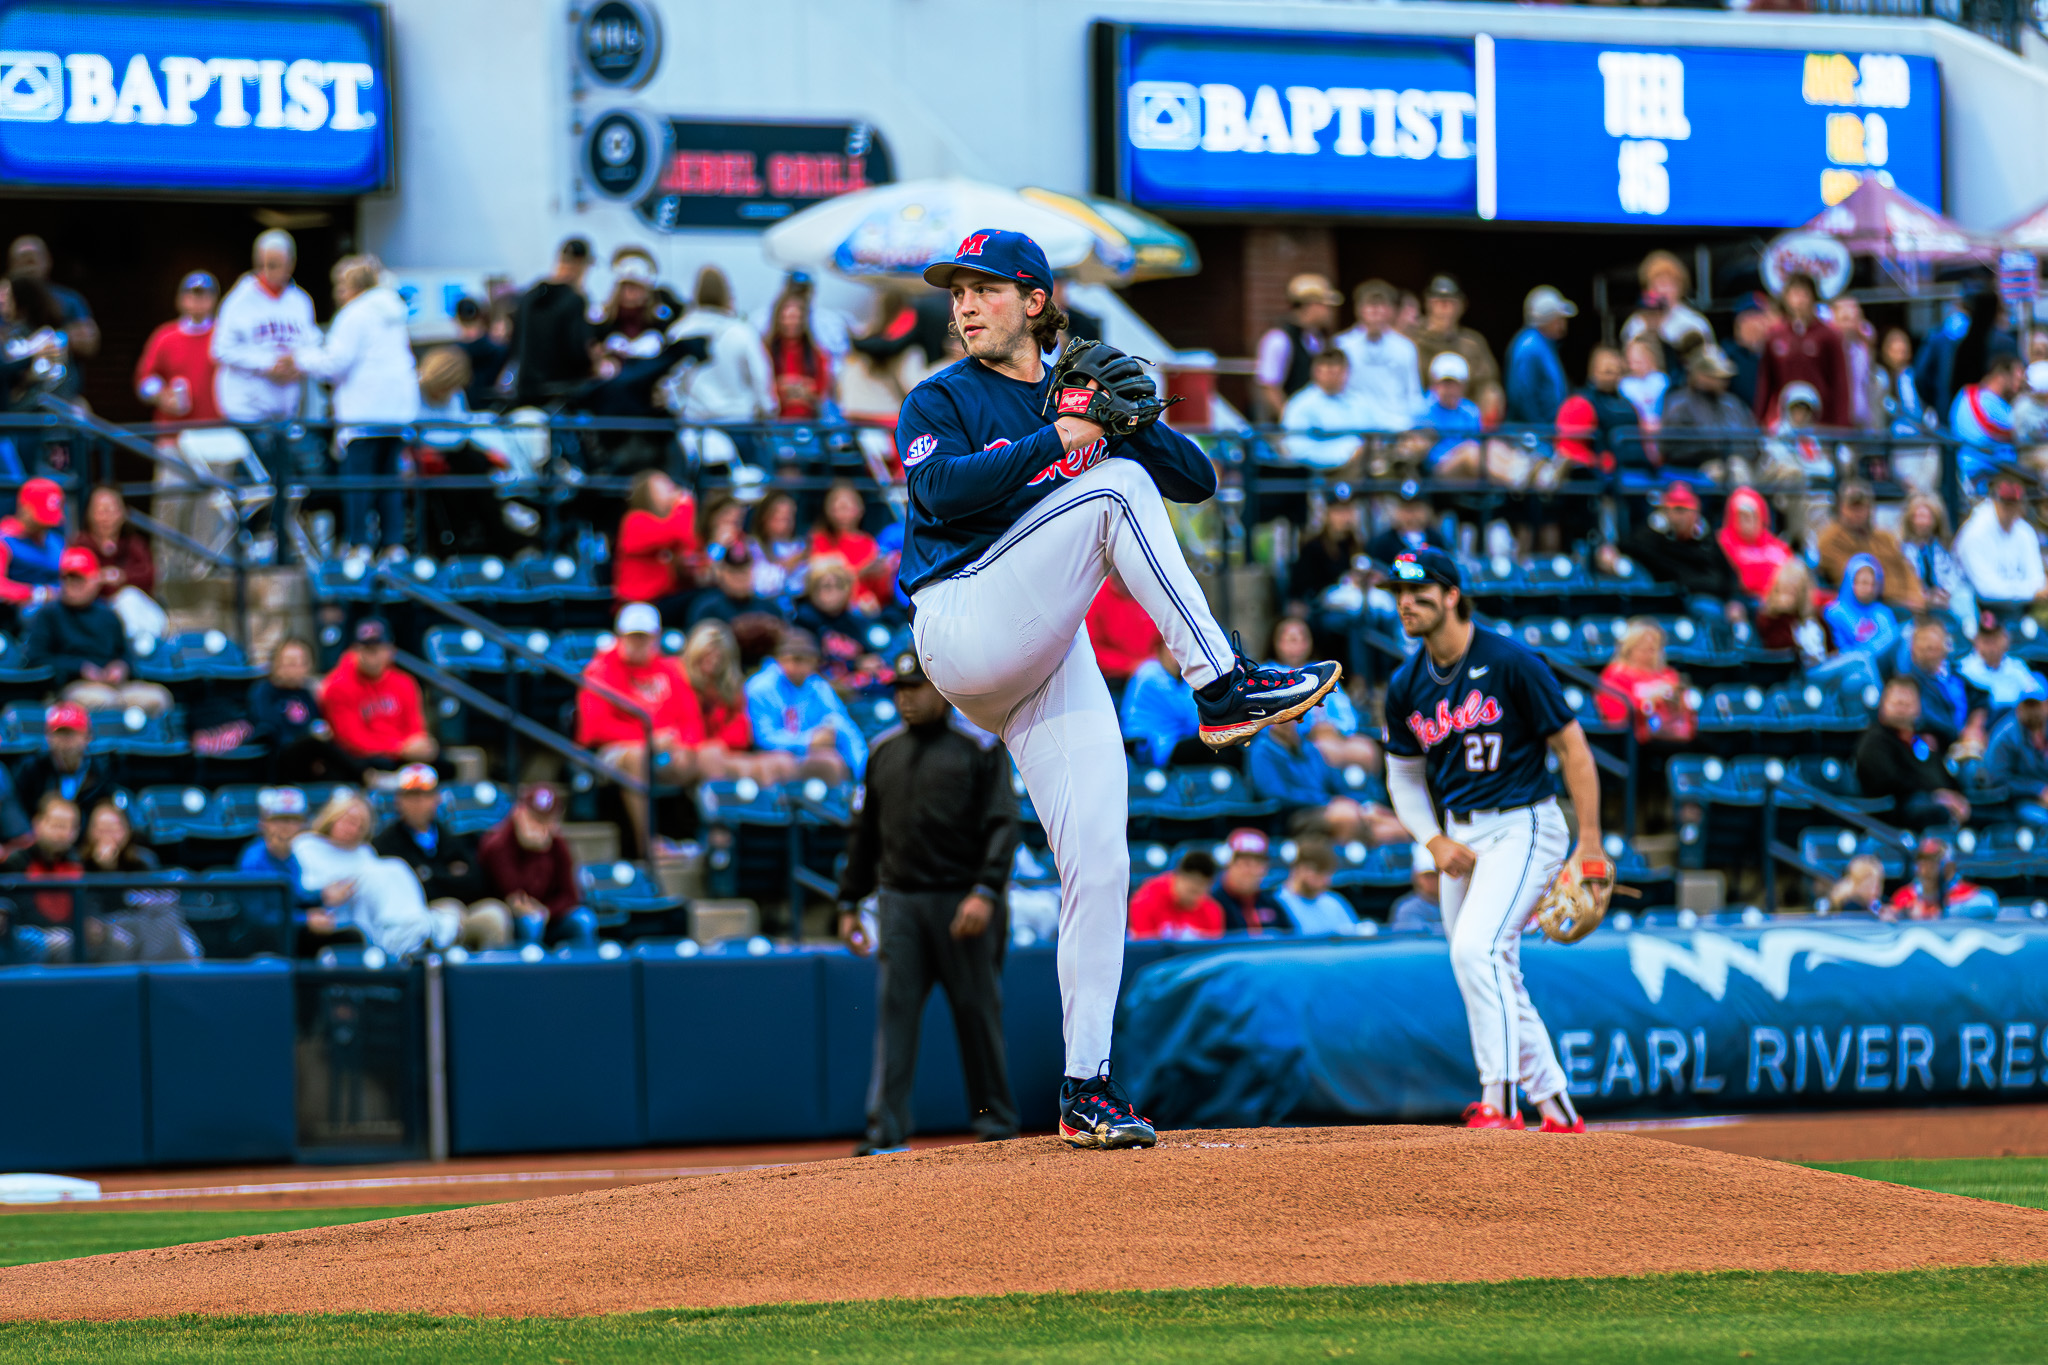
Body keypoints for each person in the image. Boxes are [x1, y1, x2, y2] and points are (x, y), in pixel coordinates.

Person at [897, 228, 1341, 1151]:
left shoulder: (1078, 389)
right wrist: (1065, 435)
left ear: (1035, 301)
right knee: (1115, 491)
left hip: (1043, 651)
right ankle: (1220, 683)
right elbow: (940, 492)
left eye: (984, 287)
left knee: (1101, 861)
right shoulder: (941, 396)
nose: (964, 304)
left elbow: (1199, 481)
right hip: (963, 619)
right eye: (957, 290)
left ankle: (1085, 1085)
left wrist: (1132, 421)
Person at [1380, 547, 1602, 1133]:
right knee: (1490, 963)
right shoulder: (1406, 683)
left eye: (1419, 591)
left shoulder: (1510, 662)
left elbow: (1573, 749)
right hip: (1460, 834)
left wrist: (1591, 842)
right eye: (1398, 593)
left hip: (1524, 821)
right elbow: (1402, 775)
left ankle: (1499, 1103)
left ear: (1452, 595)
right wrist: (1432, 839)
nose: (1406, 602)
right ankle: (1558, 1110)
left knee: (1476, 950)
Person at [837, 649, 1020, 1155]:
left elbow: (1003, 824)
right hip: (901, 903)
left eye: (915, 688)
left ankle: (997, 1127)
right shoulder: (882, 751)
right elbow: (864, 834)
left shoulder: (979, 746)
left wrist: (985, 891)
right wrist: (849, 901)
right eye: (899, 690)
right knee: (894, 1017)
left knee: (977, 1015)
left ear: (940, 690)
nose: (906, 699)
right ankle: (885, 1133)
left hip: (964, 903)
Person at [291, 255, 421, 558]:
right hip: (397, 412)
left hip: (364, 412)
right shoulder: (394, 313)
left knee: (357, 483)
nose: (337, 293)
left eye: (340, 285)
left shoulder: (354, 315)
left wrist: (300, 358)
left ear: (353, 286)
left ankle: (358, 545)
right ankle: (393, 546)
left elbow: (335, 363)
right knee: (389, 480)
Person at [576, 602, 703, 851]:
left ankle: (712, 845)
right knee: (636, 757)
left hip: (666, 751)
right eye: (632, 637)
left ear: (656, 638)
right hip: (612, 753)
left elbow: (691, 718)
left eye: (644, 637)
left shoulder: (670, 669)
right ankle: (648, 845)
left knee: (711, 756)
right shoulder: (600, 670)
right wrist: (649, 740)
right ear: (619, 637)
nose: (638, 643)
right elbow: (594, 729)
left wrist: (686, 745)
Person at [371, 764, 512, 950]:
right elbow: (407, 891)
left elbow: (476, 882)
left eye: (426, 795)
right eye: (411, 796)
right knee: (449, 911)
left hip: (463, 911)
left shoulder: (453, 836)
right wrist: (448, 875)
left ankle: (493, 968)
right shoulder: (384, 843)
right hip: (417, 919)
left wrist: (429, 875)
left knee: (495, 913)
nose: (419, 802)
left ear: (436, 798)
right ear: (399, 800)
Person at [292, 789, 446, 959]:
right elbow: (296, 891)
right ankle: (409, 936)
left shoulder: (365, 853)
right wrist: (323, 895)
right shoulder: (306, 846)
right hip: (331, 920)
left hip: (367, 917)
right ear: (333, 817)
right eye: (350, 821)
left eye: (361, 826)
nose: (354, 829)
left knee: (394, 866)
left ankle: (415, 927)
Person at [21, 547, 171, 715]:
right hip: (73, 686)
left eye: (79, 578)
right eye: (67, 578)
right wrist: (79, 668)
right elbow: (35, 659)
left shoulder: (108, 614)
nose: (71, 584)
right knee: (102, 700)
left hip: (114, 685)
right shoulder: (49, 614)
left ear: (95, 580)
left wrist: (121, 667)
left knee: (158, 697)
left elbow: (125, 654)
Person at [212, 229, 317, 430]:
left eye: (275, 265)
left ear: (291, 264)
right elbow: (221, 350)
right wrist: (267, 363)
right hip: (247, 412)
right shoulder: (239, 300)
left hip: (287, 413)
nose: (268, 271)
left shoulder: (301, 301)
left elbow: (312, 345)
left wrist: (297, 362)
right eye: (263, 265)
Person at [1247, 717, 1402, 845]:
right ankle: (1342, 868)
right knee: (1346, 816)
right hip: (1293, 816)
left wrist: (1364, 804)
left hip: (1327, 807)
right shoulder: (1262, 750)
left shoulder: (1309, 748)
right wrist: (1326, 801)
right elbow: (1275, 794)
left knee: (1393, 826)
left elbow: (1335, 783)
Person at [679, 620, 799, 785]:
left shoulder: (732, 690)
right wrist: (710, 746)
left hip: (726, 753)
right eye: (707, 656)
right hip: (691, 754)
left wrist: (721, 745)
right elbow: (685, 730)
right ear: (695, 654)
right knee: (713, 756)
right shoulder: (679, 681)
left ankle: (778, 802)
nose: (713, 661)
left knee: (776, 762)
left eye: (718, 657)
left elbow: (740, 735)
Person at [1595, 483, 1743, 617]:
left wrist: (1734, 600)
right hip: (1681, 600)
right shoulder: (1656, 538)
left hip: (1713, 597)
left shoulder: (1708, 540)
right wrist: (1610, 552)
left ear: (1695, 512)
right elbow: (1628, 546)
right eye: (1675, 510)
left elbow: (1729, 575)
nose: (1680, 517)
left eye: (1684, 510)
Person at [743, 627, 866, 782]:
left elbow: (843, 725)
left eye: (804, 660)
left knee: (833, 760)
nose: (796, 666)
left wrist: (864, 771)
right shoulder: (760, 687)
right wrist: (808, 740)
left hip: (808, 756)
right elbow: (762, 738)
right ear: (779, 659)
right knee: (784, 763)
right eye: (792, 659)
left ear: (814, 662)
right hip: (768, 757)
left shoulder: (817, 686)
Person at [318, 617, 437, 775]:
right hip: (365, 757)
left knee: (441, 763)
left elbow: (415, 726)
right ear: (354, 651)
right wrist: (399, 749)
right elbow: (351, 739)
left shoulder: (404, 682)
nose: (372, 656)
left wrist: (417, 743)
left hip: (402, 752)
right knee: (375, 763)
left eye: (377, 649)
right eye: (367, 649)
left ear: (391, 651)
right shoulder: (338, 685)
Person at [665, 265, 775, 430]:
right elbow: (760, 376)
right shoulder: (743, 331)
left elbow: (671, 380)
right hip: (738, 424)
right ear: (727, 294)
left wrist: (679, 409)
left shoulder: (679, 332)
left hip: (695, 425)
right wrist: (766, 408)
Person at [1854, 677, 1970, 829]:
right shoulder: (1874, 741)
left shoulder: (1924, 739)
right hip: (1895, 811)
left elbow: (1943, 776)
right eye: (1897, 703)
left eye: (1907, 703)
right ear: (1883, 705)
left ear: (1918, 707)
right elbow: (1889, 783)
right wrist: (1935, 795)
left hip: (1931, 801)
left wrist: (1955, 796)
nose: (1902, 708)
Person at [477, 783, 579, 944]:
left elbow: (571, 895)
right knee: (531, 922)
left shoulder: (557, 844)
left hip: (548, 913)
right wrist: (535, 851)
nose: (542, 827)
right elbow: (516, 895)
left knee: (583, 920)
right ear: (519, 813)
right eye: (535, 819)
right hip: (510, 917)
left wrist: (547, 911)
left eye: (547, 820)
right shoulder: (498, 844)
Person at [1271, 616, 1377, 770]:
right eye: (1292, 640)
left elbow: (1346, 713)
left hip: (1333, 736)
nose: (1298, 645)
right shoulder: (1268, 675)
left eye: (1303, 639)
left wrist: (1337, 728)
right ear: (1277, 642)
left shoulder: (1323, 671)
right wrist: (1309, 729)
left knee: (1367, 749)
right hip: (1297, 742)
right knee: (1325, 751)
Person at [1754, 272, 1850, 427]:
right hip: (1785, 423)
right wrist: (1760, 420)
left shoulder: (1828, 336)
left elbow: (1840, 382)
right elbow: (1766, 381)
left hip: (1821, 422)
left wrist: (1842, 425)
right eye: (1794, 294)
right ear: (1786, 298)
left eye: (1804, 294)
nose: (1799, 301)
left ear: (1813, 297)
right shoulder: (1775, 336)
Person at [511, 237, 596, 405]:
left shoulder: (530, 296)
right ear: (582, 264)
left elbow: (515, 345)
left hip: (525, 388)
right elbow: (576, 350)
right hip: (561, 392)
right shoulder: (574, 300)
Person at [0, 794, 84, 962]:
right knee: (60, 941)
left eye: (68, 826)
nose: (61, 833)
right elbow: (19, 912)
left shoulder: (79, 863)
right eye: (57, 825)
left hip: (68, 931)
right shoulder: (17, 862)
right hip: (27, 931)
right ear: (38, 823)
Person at [1336, 279, 1423, 435]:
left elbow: (1413, 392)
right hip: (1354, 428)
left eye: (1381, 305)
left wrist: (1414, 427)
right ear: (1359, 309)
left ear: (1391, 311)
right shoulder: (1342, 345)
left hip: (1396, 428)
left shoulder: (1405, 347)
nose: (1375, 311)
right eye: (1370, 305)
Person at [1817, 481, 1922, 608]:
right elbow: (1853, 580)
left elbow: (1907, 570)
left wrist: (1917, 596)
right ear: (1841, 508)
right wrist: (1900, 599)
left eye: (1862, 507)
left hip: (1909, 602)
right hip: (1873, 605)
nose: (1857, 513)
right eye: (1852, 508)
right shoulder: (1830, 540)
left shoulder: (1885, 537)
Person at [134, 271, 220, 423]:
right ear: (181, 299)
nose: (198, 301)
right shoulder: (165, 337)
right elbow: (144, 379)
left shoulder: (224, 335)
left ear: (214, 300)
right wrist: (161, 395)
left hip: (217, 427)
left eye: (205, 295)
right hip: (174, 428)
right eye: (192, 295)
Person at [613, 469, 700, 620]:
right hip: (639, 605)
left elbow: (690, 543)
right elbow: (677, 533)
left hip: (662, 599)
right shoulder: (634, 520)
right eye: (663, 486)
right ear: (646, 494)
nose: (672, 489)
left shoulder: (669, 520)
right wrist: (685, 503)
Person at [1657, 346, 1758, 476]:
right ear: (1699, 376)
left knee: (1781, 469)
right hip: (1700, 470)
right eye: (1716, 376)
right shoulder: (1679, 404)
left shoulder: (1733, 403)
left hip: (1743, 464)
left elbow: (1752, 441)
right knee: (1735, 469)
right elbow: (1671, 450)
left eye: (1724, 377)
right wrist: (1717, 452)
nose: (1723, 382)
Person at [791, 555, 886, 692]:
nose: (834, 593)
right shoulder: (803, 620)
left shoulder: (856, 621)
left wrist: (870, 661)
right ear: (812, 589)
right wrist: (855, 664)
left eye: (840, 585)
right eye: (826, 586)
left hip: (855, 689)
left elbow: (873, 652)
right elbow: (808, 663)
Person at [1255, 273, 1342, 421]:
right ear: (1311, 305)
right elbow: (1270, 388)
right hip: (1291, 427)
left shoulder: (1316, 339)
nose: (1330, 312)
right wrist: (1290, 420)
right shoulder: (1278, 339)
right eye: (1326, 306)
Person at [1953, 477, 2048, 612]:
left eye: (2014, 502)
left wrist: (2034, 591)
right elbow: (1986, 590)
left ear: (2022, 504)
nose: (2009, 508)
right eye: (2005, 502)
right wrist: (2031, 592)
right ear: (1994, 500)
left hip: (2018, 607)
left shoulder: (2024, 531)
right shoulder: (1974, 532)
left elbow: (2037, 580)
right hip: (1976, 608)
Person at [1595, 619, 1695, 744]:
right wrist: (1648, 700)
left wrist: (1676, 700)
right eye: (1643, 648)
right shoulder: (1614, 676)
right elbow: (1615, 718)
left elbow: (1687, 716)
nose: (1649, 654)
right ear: (1629, 648)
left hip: (1671, 740)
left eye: (1653, 649)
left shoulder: (1669, 675)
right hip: (1631, 743)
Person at [1899, 617, 1987, 751]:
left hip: (1968, 742)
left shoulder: (1955, 675)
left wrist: (1974, 725)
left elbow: (1980, 699)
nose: (1926, 647)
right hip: (1940, 746)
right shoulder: (1910, 682)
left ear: (1946, 645)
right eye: (1921, 642)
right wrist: (1961, 737)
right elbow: (1928, 721)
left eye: (1931, 645)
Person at [12, 702, 115, 817]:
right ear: (48, 737)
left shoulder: (102, 771)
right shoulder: (31, 770)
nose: (66, 741)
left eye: (72, 734)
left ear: (87, 736)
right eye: (60, 733)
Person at [6, 236, 96, 364]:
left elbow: (90, 343)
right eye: (22, 261)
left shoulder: (70, 299)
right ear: (11, 265)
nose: (28, 268)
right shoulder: (3, 300)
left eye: (32, 261)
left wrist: (54, 340)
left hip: (59, 373)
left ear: (47, 261)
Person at [1281, 349, 1375, 469]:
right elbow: (1297, 450)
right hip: (1321, 471)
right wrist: (1346, 456)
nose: (1335, 376)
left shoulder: (1359, 402)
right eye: (1329, 371)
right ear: (1316, 371)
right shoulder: (1300, 404)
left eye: (1340, 371)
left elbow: (1374, 435)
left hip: (1363, 465)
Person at [1408, 275, 1498, 396]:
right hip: (1422, 404)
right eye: (1438, 302)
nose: (1445, 309)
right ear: (1427, 304)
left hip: (1464, 405)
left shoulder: (1472, 343)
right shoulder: (1412, 341)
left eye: (1451, 303)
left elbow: (1488, 381)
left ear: (1462, 306)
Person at [1898, 493, 1975, 632]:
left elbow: (1952, 575)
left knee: (1964, 596)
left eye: (1927, 517)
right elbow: (1906, 580)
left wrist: (1945, 593)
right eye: (1918, 516)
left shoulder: (1941, 548)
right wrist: (1926, 597)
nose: (1922, 522)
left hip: (1942, 597)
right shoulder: (1901, 548)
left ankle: (1970, 634)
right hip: (1915, 599)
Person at [1118, 638, 1199, 766]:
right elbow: (1192, 718)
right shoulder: (1150, 674)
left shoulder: (1181, 677)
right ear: (1160, 650)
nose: (1178, 655)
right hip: (1154, 747)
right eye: (1172, 649)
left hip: (1176, 741)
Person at [1621, 251, 1714, 362]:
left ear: (1680, 287)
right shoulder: (1636, 323)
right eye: (1657, 285)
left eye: (1669, 284)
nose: (1662, 290)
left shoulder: (1694, 322)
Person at [1505, 286, 1575, 426]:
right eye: (1559, 319)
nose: (1563, 324)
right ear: (1547, 319)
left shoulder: (1545, 343)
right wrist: (1538, 428)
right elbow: (1522, 395)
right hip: (1535, 431)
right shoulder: (1530, 346)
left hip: (1547, 428)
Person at [1951, 354, 2025, 486]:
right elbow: (2025, 432)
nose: (2019, 384)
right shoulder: (1991, 403)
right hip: (1989, 475)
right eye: (2017, 377)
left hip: (1968, 473)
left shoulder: (1965, 394)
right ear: (2001, 376)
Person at [75, 485, 155, 602]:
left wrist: (122, 576)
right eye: (101, 511)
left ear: (123, 514)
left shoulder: (133, 544)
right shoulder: (80, 545)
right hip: (91, 605)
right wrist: (98, 578)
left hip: (128, 603)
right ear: (89, 514)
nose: (106, 518)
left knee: (128, 598)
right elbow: (73, 579)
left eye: (112, 511)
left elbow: (148, 576)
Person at [1959, 610, 2046, 715]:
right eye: (1986, 641)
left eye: (1995, 639)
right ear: (1976, 642)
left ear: (2006, 639)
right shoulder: (1964, 669)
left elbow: (2036, 694)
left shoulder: (2016, 666)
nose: (1991, 647)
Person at [1085, 572, 1162, 688]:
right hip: (1112, 680)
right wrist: (1129, 665)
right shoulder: (1097, 596)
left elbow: (1162, 640)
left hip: (1150, 674)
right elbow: (1091, 649)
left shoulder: (1150, 593)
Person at [1886, 836, 1994, 920]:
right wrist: (1904, 913)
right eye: (1922, 860)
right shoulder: (1906, 895)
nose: (1925, 868)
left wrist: (1939, 912)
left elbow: (1989, 904)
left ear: (1949, 867)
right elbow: (1889, 914)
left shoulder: (1962, 892)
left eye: (1933, 861)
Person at [1716, 486, 1793, 602]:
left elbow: (1793, 573)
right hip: (1749, 601)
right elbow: (1745, 581)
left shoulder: (1774, 543)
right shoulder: (1724, 542)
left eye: (1753, 514)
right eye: (1742, 515)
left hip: (1782, 597)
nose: (1748, 520)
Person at [766, 287, 833, 420]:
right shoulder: (766, 352)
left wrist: (788, 386)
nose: (792, 322)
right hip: (776, 422)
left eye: (796, 318)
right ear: (778, 319)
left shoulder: (817, 353)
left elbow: (820, 389)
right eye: (787, 317)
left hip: (809, 422)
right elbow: (764, 387)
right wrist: (801, 386)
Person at [1127, 848, 1222, 940]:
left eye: (1197, 892)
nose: (1192, 897)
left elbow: (1212, 948)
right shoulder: (1146, 900)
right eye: (1190, 890)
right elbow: (1144, 946)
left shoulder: (1212, 912)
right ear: (1178, 877)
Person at [685, 539, 781, 630]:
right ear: (721, 573)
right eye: (733, 572)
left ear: (752, 572)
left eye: (743, 572)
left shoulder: (769, 609)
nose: (739, 578)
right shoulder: (707, 609)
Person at [1823, 554, 1904, 661]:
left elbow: (1894, 644)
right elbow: (1840, 652)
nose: (1869, 589)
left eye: (1873, 584)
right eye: (1864, 583)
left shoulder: (1883, 612)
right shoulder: (1834, 613)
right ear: (1851, 582)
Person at [1417, 352, 1484, 478]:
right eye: (1446, 384)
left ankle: (1518, 479)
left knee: (1493, 448)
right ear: (1434, 385)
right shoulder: (1423, 410)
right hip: (1437, 471)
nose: (1451, 390)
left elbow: (1478, 444)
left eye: (1456, 384)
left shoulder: (1470, 411)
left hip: (1471, 465)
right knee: (1471, 452)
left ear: (1464, 386)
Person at [1274, 836, 1359, 935]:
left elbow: (1355, 938)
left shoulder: (1334, 903)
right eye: (1317, 871)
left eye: (1326, 873)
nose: (1324, 880)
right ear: (1298, 867)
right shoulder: (1276, 903)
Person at [1986, 692, 2048, 827]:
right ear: (2020, 707)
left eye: (2037, 704)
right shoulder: (2005, 736)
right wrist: (2038, 790)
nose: (2034, 710)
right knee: (2043, 820)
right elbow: (1998, 781)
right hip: (2018, 802)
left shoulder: (2044, 726)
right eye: (2029, 705)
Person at [1212, 827, 1287, 933]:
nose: (1250, 871)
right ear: (1228, 864)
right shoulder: (1212, 903)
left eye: (1257, 863)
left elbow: (1291, 938)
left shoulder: (1271, 903)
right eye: (1244, 863)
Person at [1, 475, 68, 591]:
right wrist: (37, 593)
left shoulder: (57, 541)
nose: (46, 525)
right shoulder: (6, 541)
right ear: (24, 508)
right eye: (43, 517)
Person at [1754, 558, 1827, 664]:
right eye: (1785, 590)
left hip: (1824, 666)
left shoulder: (1816, 616)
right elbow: (1782, 655)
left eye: (1794, 590)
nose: (1788, 596)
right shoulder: (1771, 619)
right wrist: (1784, 614)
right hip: (1795, 670)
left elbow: (1831, 650)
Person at [746, 490, 808, 599]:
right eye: (779, 516)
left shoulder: (800, 546)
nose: (785, 521)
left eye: (789, 516)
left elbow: (802, 585)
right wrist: (789, 565)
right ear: (764, 517)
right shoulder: (751, 546)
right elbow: (761, 586)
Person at [453, 297, 509, 407]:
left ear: (457, 320)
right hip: (497, 408)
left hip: (465, 409)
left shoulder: (455, 354)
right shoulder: (501, 350)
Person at [1726, 294, 1776, 411]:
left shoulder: (1776, 354)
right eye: (1753, 317)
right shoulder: (1727, 355)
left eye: (1763, 317)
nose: (1761, 323)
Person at [1877, 326, 1930, 436]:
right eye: (1895, 352)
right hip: (1893, 435)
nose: (1900, 357)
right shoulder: (1881, 377)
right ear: (1885, 352)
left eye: (1903, 352)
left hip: (1919, 434)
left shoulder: (1913, 376)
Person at [1618, 335, 1669, 433]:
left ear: (1652, 358)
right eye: (1631, 362)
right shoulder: (1624, 384)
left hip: (1661, 429)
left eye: (1639, 362)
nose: (1634, 366)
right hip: (1635, 430)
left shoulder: (1662, 380)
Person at [1390, 842, 1443, 932]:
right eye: (1428, 876)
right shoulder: (1408, 909)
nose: (1434, 880)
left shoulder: (1457, 903)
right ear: (1416, 877)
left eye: (1437, 875)